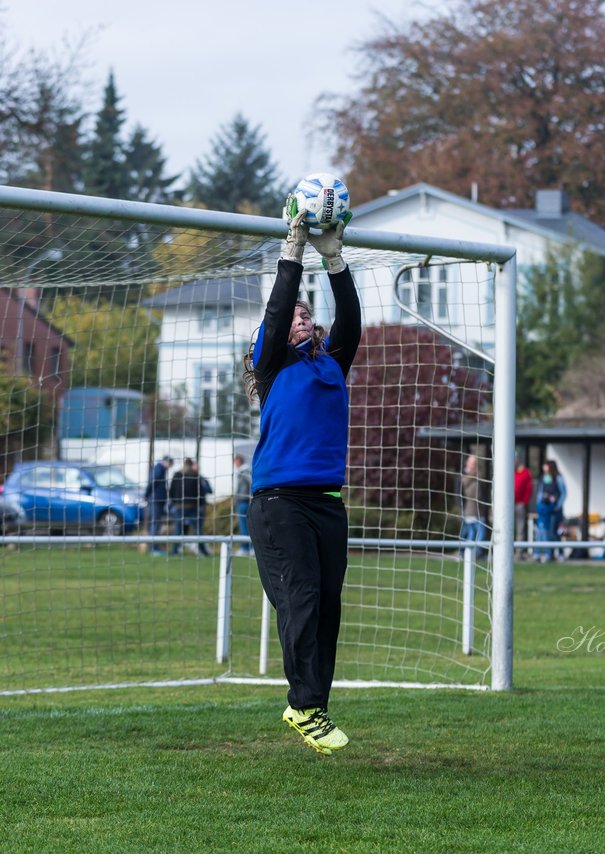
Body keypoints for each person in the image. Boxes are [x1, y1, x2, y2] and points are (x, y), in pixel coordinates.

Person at [242, 199, 359, 755]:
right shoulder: (270, 366)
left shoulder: (332, 362)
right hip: (279, 502)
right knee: (303, 599)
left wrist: (333, 258)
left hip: (326, 502)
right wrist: (292, 248)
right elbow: (277, 308)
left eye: (307, 315)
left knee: (328, 605)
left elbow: (352, 318)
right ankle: (302, 704)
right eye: (295, 317)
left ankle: (315, 704)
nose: (302, 318)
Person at [168, 458, 210, 556]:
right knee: (198, 530)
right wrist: (200, 504)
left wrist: (174, 502)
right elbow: (200, 492)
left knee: (178, 530)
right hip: (193, 507)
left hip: (179, 506)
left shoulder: (177, 475)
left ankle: (175, 551)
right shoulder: (195, 475)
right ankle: (203, 551)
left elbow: (171, 490)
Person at [535, 460, 566, 562]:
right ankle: (550, 554)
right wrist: (540, 503)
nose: (544, 467)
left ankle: (561, 554)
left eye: (545, 466)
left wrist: (557, 505)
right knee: (545, 533)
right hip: (546, 510)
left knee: (554, 533)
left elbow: (563, 493)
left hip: (555, 510)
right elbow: (541, 492)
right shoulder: (545, 478)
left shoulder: (558, 478)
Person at [145, 455, 173, 556]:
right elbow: (153, 482)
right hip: (155, 500)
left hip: (157, 500)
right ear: (167, 462)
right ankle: (153, 548)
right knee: (155, 524)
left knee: (156, 523)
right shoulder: (159, 469)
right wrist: (146, 494)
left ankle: (153, 547)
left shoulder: (161, 469)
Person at [459, 454, 486, 553]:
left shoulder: (476, 477)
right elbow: (472, 494)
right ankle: (472, 551)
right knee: (476, 532)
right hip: (472, 510)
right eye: (472, 463)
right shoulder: (469, 478)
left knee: (472, 532)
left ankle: (470, 552)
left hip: (476, 510)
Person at [233, 453, 253, 556]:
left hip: (244, 501)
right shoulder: (242, 472)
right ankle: (248, 548)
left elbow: (251, 483)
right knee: (246, 526)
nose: (234, 464)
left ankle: (246, 548)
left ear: (239, 461)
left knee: (245, 527)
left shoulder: (244, 472)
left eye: (235, 461)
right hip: (243, 501)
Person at [514, 458, 533, 560]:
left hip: (520, 505)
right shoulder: (511, 472)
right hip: (508, 505)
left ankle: (519, 552)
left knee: (520, 529)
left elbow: (529, 490)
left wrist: (523, 502)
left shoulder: (525, 473)